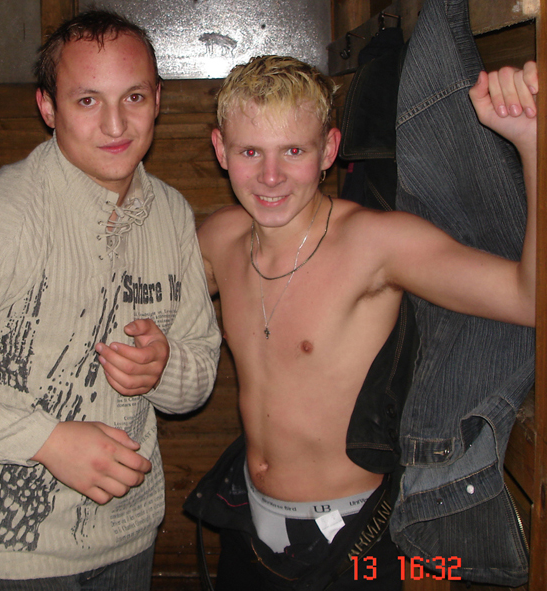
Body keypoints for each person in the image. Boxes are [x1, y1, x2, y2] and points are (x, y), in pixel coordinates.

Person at [183, 55, 537, 590]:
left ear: (328, 150)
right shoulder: (220, 239)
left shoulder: (375, 243)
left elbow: (529, 299)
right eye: (250, 151)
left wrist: (533, 143)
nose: (271, 176)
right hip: (248, 527)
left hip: (356, 539)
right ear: (220, 150)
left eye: (294, 151)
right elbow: (141, 297)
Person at [0, 9, 221, 590]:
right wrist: (44, 441)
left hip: (132, 540)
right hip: (13, 564)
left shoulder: (172, 212)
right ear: (47, 107)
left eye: (133, 97)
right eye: (87, 100)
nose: (115, 124)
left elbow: (200, 373)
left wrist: (165, 367)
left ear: (158, 100)